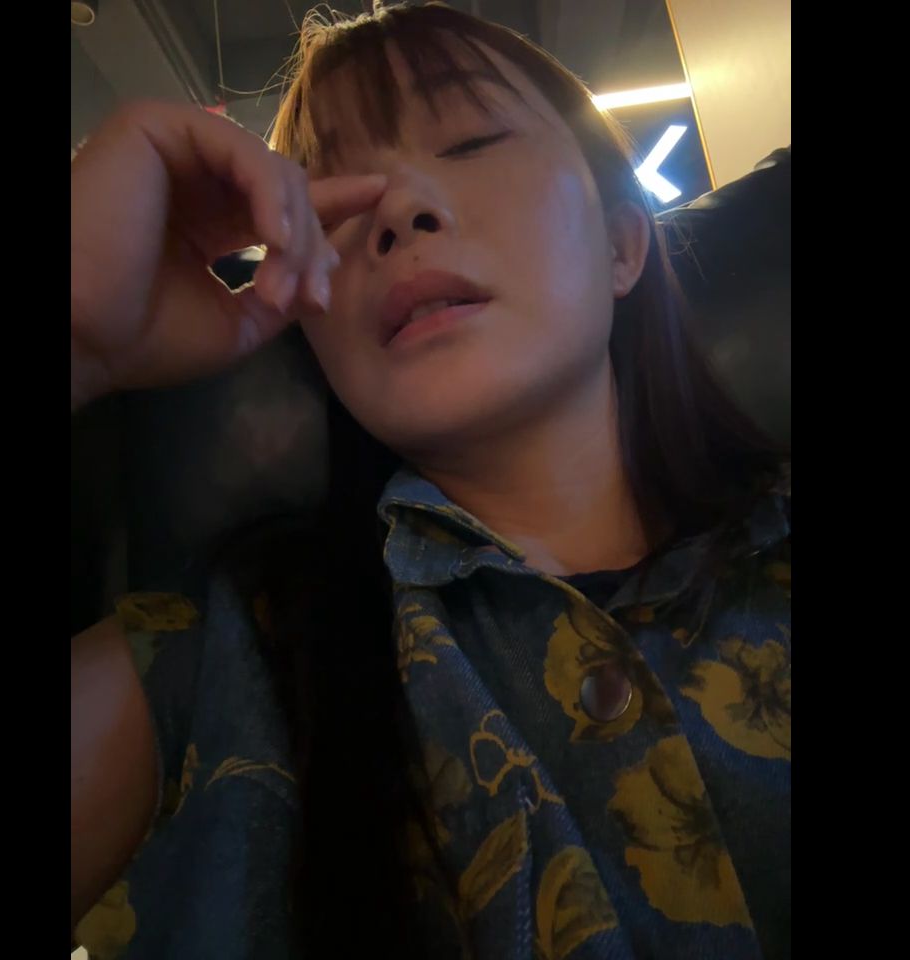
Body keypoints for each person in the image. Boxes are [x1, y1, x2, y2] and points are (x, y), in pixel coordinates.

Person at [71, 4, 790, 958]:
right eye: (333, 199)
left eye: (470, 141)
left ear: (621, 245)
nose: (399, 209)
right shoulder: (216, 656)